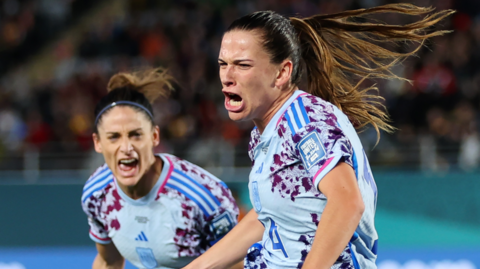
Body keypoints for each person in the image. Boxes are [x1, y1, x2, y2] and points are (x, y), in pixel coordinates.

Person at [184, 4, 454, 269]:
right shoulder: (265, 132)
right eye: (223, 64)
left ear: (281, 73)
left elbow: (347, 202)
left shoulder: (306, 121)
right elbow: (269, 215)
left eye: (242, 65)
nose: (227, 77)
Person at [81, 68, 239, 269]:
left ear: (154, 136)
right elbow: (108, 261)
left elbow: (241, 263)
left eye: (136, 135)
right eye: (113, 137)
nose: (126, 148)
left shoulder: (204, 196)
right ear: (98, 143)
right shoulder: (96, 193)